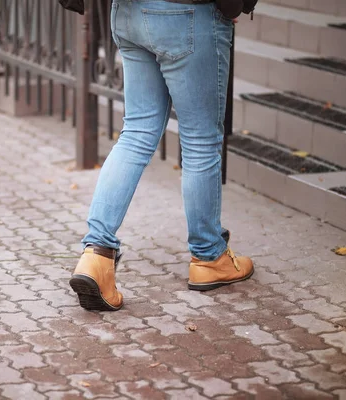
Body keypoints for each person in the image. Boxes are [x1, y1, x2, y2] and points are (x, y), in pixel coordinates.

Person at [69, 0, 254, 311]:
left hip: (128, 12)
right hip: (187, 13)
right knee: (200, 141)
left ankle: (96, 254)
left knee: (136, 134)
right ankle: (210, 257)